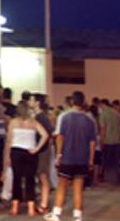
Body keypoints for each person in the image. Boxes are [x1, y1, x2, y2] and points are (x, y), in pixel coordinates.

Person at [45, 91, 96, 221]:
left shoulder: (64, 117)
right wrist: (91, 159)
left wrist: (58, 155)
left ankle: (56, 214)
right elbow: (92, 142)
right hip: (82, 158)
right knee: (78, 188)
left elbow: (60, 137)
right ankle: (78, 216)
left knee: (62, 185)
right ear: (83, 102)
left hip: (67, 157)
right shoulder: (89, 120)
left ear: (72, 101)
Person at [5, 101, 49, 216]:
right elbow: (45, 135)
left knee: (17, 179)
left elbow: (9, 141)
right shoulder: (33, 122)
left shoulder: (13, 122)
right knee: (30, 179)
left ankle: (15, 207)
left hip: (16, 152)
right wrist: (37, 148)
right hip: (30, 153)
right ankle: (31, 207)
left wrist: (7, 156)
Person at [30, 95, 55, 214]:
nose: (29, 102)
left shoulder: (41, 117)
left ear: (37, 103)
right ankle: (43, 203)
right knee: (41, 176)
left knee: (43, 176)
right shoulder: (40, 116)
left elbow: (48, 133)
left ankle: (44, 204)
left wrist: (38, 147)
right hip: (42, 150)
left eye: (31, 100)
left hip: (43, 151)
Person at [98, 99, 120, 185]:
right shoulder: (117, 113)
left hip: (107, 141)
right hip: (117, 141)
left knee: (107, 161)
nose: (99, 108)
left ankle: (108, 179)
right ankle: (115, 179)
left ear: (103, 104)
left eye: (100, 106)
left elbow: (102, 128)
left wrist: (101, 140)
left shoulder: (103, 114)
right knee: (115, 161)